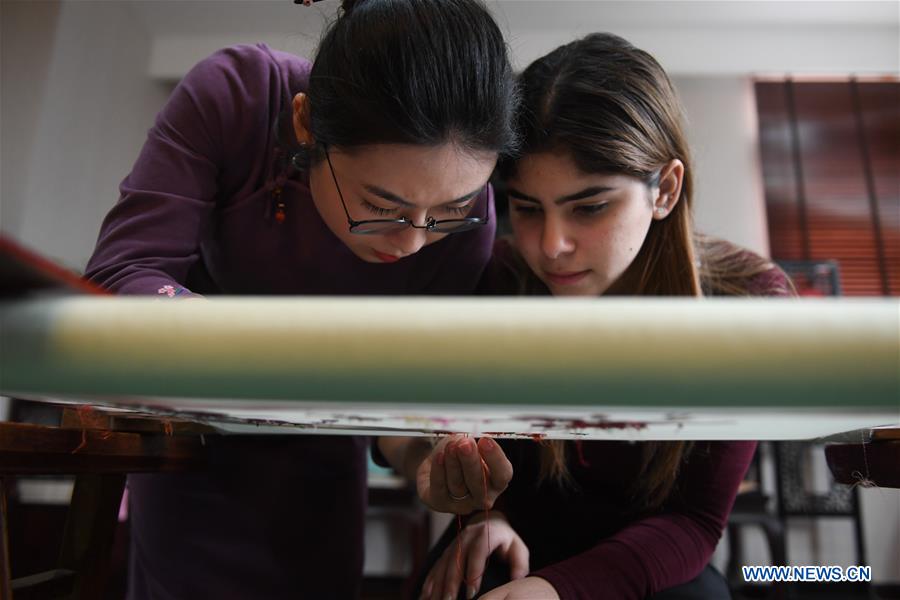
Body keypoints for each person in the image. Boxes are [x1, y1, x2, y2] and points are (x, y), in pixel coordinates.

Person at [83, 1, 519, 597]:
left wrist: (430, 458)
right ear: (306, 123)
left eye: (449, 210)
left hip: (328, 458)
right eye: (381, 205)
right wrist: (268, 347)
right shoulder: (238, 97)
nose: (413, 241)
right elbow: (120, 274)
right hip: (191, 432)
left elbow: (398, 398)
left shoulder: (470, 224)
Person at [378, 32, 793, 600]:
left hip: (659, 563)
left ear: (665, 189)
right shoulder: (496, 277)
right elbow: (442, 440)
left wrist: (555, 590)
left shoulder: (749, 303)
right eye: (527, 209)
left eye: (590, 207)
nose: (551, 246)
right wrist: (483, 514)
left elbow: (694, 521)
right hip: (506, 545)